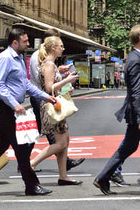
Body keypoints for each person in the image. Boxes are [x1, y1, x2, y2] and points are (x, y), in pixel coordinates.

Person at [0, 26, 57, 196]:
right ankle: (31, 185)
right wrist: (15, 104)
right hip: (4, 108)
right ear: (15, 42)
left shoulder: (19, 59)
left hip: (10, 108)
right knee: (22, 146)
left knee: (0, 146)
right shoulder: (5, 58)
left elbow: (26, 84)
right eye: (25, 41)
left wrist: (45, 96)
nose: (28, 44)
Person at [93, 24, 140, 195]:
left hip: (139, 110)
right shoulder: (135, 60)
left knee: (129, 146)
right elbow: (136, 92)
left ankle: (103, 177)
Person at [27, 27, 84, 173]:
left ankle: (63, 175)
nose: (63, 49)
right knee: (59, 143)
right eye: (61, 46)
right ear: (53, 47)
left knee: (64, 142)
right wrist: (67, 80)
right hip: (50, 105)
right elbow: (48, 87)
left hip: (54, 103)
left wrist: (63, 78)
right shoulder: (48, 64)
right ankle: (30, 164)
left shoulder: (50, 64)